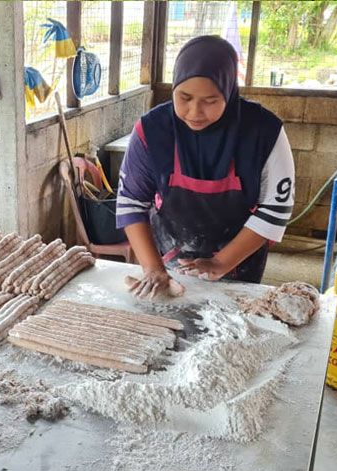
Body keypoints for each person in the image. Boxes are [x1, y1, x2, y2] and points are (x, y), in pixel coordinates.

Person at [117, 36, 295, 299]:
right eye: (184, 97)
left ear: (228, 90)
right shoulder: (152, 130)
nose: (194, 112)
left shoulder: (264, 132)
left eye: (211, 100)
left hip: (239, 260)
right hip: (168, 256)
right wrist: (153, 268)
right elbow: (131, 200)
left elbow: (276, 209)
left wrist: (222, 263)